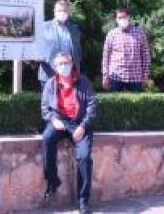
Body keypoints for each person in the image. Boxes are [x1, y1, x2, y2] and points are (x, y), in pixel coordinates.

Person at [41, 52, 96, 214]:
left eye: (66, 63)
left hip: (79, 124)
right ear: (55, 67)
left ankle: (83, 200)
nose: (64, 66)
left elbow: (92, 108)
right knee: (47, 139)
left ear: (72, 64)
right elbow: (45, 108)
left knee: (84, 157)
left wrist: (83, 126)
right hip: (59, 122)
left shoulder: (83, 82)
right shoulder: (50, 84)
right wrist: (53, 119)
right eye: (60, 64)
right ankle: (53, 181)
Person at [101, 9, 151, 92]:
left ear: (129, 17)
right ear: (116, 20)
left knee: (136, 104)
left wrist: (145, 76)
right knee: (114, 104)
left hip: (135, 77)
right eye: (119, 17)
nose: (122, 19)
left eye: (124, 17)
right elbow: (106, 57)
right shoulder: (111, 34)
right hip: (115, 76)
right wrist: (105, 77)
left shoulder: (140, 33)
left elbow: (145, 56)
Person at [38, 0, 82, 87]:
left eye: (64, 11)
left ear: (68, 12)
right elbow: (37, 49)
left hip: (70, 75)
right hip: (49, 74)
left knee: (69, 100)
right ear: (54, 12)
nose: (62, 13)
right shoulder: (43, 27)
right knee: (51, 100)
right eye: (59, 10)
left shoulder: (74, 29)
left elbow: (78, 51)